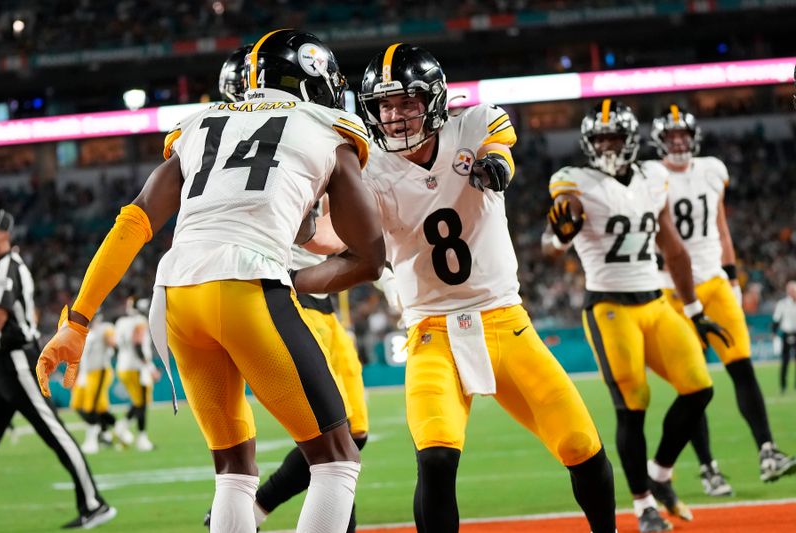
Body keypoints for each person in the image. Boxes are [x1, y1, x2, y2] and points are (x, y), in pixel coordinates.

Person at [36, 29, 385, 533]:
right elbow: (370, 256)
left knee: (234, 474)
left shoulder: (200, 123)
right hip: (247, 286)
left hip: (174, 298)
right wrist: (298, 275)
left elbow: (132, 223)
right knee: (336, 459)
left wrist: (78, 320)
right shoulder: (327, 127)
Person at [356, 44, 616, 533]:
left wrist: (496, 167)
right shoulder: (370, 167)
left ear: (432, 99)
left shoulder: (472, 127)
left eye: (407, 102)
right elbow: (336, 232)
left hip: (503, 320)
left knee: (580, 443)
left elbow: (500, 151)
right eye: (385, 105)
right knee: (434, 457)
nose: (395, 116)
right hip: (431, 331)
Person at [202, 46, 370, 532]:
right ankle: (254, 507)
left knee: (345, 438)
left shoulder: (239, 140)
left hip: (309, 302)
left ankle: (252, 508)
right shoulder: (291, 139)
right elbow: (313, 235)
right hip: (292, 298)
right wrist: (372, 238)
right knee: (338, 444)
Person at [548, 100, 723, 532]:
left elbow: (674, 249)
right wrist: (560, 232)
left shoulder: (653, 176)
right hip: (609, 305)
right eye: (601, 139)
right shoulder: (575, 179)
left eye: (615, 138)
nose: (608, 146)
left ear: (630, 141)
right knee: (632, 406)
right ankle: (643, 503)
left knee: (699, 388)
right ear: (590, 144)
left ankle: (659, 475)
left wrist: (696, 309)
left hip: (656, 301)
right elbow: (555, 231)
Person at [650, 105, 796, 490]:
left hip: (715, 282)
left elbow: (722, 228)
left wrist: (732, 278)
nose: (679, 142)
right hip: (672, 290)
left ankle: (768, 450)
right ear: (660, 141)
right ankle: (707, 467)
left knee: (742, 365)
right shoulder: (651, 176)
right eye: (672, 136)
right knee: (694, 384)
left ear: (693, 137)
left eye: (683, 135)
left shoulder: (713, 169)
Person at [0, 209, 116, 529]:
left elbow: (0, 314)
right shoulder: (3, 266)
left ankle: (94, 503)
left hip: (15, 360)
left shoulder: (8, 266)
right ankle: (93, 503)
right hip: (2, 362)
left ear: (4, 233)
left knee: (54, 432)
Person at [114, 296, 158, 451]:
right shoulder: (139, 321)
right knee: (142, 403)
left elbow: (116, 347)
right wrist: (150, 367)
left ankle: (124, 428)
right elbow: (138, 345)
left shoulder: (120, 322)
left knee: (139, 402)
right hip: (137, 368)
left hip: (123, 366)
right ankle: (139, 437)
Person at [70, 314, 119, 454]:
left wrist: (112, 343)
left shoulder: (104, 328)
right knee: (77, 405)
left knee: (92, 407)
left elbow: (113, 343)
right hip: (86, 373)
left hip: (100, 371)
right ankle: (113, 429)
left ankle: (93, 439)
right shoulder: (83, 333)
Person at [773, 281, 796, 394]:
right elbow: (776, 320)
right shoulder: (782, 304)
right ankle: (783, 386)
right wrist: (774, 334)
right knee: (785, 361)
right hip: (786, 334)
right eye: (791, 290)